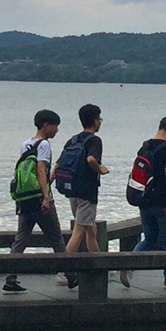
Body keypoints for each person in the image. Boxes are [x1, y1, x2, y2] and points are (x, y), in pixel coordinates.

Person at [4, 109, 66, 294]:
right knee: (56, 238)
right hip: (40, 198)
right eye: (55, 126)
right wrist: (46, 196)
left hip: (25, 199)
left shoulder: (26, 144)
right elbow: (40, 170)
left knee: (21, 238)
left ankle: (10, 277)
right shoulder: (44, 144)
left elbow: (28, 171)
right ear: (46, 125)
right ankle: (70, 275)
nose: (57, 130)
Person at [123, 115, 166, 290]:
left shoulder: (145, 146)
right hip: (161, 202)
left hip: (144, 200)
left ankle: (128, 265)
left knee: (149, 238)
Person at [57, 104, 108, 259]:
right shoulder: (95, 141)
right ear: (94, 120)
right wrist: (100, 170)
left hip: (72, 189)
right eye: (99, 118)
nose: (100, 122)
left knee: (90, 229)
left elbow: (58, 165)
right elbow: (91, 159)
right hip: (87, 191)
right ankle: (64, 271)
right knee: (79, 230)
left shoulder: (72, 140)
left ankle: (99, 262)